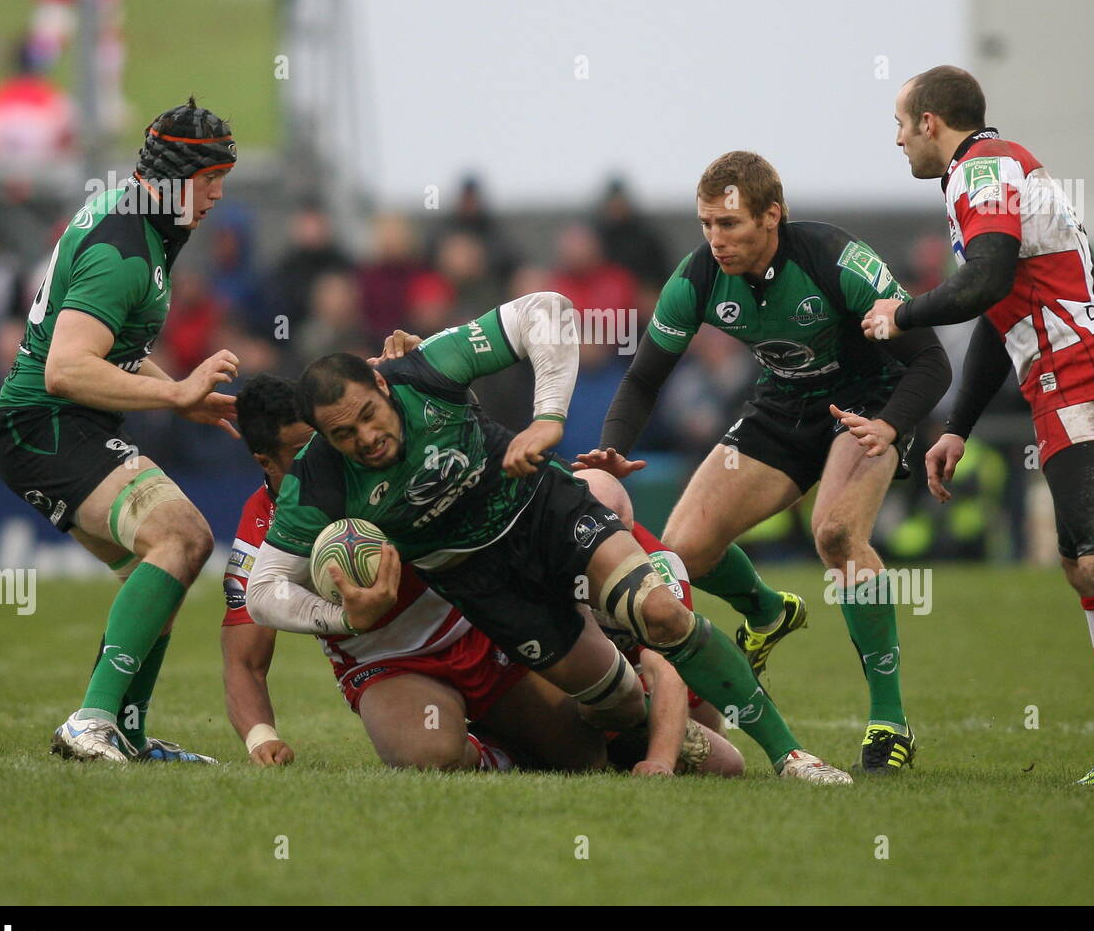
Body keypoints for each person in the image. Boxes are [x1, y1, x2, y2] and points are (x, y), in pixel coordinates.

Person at [244, 292, 853, 783]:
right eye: (344, 435)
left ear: (382, 386)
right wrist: (342, 616)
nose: (366, 440)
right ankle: (649, 726)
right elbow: (262, 590)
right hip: (482, 584)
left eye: (369, 418)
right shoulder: (318, 478)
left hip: (542, 512)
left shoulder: (425, 369)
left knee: (661, 612)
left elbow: (546, 311)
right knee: (610, 706)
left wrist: (548, 417)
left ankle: (793, 757)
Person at [865, 64, 1094, 790]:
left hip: (1084, 372)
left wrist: (900, 313)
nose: (898, 139)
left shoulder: (981, 171)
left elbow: (986, 280)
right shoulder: (989, 171)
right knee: (1083, 564)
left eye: (901, 124)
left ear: (932, 122)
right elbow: (1003, 315)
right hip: (1076, 370)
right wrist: (959, 427)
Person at [580, 152, 952, 773]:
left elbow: (931, 362)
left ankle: (889, 721)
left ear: (773, 215)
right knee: (682, 552)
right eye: (706, 224)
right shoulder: (697, 277)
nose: (715, 240)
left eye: (729, 225)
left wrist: (888, 427)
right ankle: (768, 611)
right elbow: (644, 377)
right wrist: (615, 444)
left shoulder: (836, 260)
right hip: (784, 406)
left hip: (870, 404)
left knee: (835, 533)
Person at [0, 98, 240, 763]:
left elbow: (110, 343)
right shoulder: (125, 248)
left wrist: (179, 396)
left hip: (52, 425)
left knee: (162, 568)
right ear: (175, 174)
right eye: (210, 177)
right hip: (46, 425)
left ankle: (123, 735)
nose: (218, 193)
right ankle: (91, 722)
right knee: (182, 536)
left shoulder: (137, 222)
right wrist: (173, 391)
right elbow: (68, 370)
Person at [223, 373, 604, 772]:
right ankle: (498, 755)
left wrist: (420, 371)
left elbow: (457, 423)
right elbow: (244, 659)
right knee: (429, 756)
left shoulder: (379, 459)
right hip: (387, 663)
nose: (327, 456)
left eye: (330, 438)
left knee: (585, 757)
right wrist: (261, 736)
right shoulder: (261, 535)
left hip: (477, 625)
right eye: (304, 450)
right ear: (266, 462)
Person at [576, 468, 744, 778]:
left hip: (636, 680)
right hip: (576, 674)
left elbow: (667, 664)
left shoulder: (659, 564)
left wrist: (660, 761)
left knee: (727, 764)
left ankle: (633, 736)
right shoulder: (546, 544)